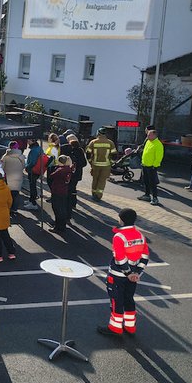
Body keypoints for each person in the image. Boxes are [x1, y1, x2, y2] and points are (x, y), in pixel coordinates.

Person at [97, 208, 149, 337]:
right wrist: (136, 273)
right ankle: (130, 326)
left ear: (121, 220)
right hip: (132, 277)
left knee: (116, 301)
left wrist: (128, 273)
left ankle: (115, 328)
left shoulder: (119, 236)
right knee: (129, 299)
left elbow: (120, 258)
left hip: (117, 276)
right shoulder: (140, 236)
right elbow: (145, 256)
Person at [86, 127, 117, 201]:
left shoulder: (93, 142)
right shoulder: (110, 143)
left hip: (95, 165)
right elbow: (114, 155)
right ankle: (98, 195)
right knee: (102, 181)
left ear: (98, 133)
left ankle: (93, 194)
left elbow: (88, 153)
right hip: (106, 166)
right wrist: (111, 163)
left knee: (95, 180)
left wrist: (90, 162)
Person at [60, 134, 88, 216]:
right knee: (73, 188)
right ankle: (73, 203)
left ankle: (70, 204)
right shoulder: (80, 151)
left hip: (71, 173)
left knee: (70, 189)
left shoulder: (71, 152)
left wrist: (75, 164)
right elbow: (84, 163)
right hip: (77, 174)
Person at [139, 127, 164, 206]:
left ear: (154, 135)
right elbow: (145, 152)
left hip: (151, 167)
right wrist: (143, 162)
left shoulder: (158, 144)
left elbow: (159, 157)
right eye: (147, 135)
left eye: (149, 135)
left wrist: (154, 165)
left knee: (152, 183)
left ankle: (155, 198)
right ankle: (147, 195)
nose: (147, 136)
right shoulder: (148, 142)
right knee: (146, 181)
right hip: (145, 165)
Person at [49, 155, 73, 233]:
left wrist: (53, 168)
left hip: (57, 190)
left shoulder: (60, 170)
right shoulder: (68, 169)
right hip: (64, 191)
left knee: (57, 209)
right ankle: (62, 225)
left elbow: (51, 176)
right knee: (62, 208)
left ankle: (58, 227)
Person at [1, 142, 26, 214]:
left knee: (8, 193)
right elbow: (23, 166)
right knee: (16, 193)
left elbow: (2, 167)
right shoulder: (21, 156)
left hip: (8, 177)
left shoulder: (5, 156)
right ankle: (14, 208)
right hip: (18, 177)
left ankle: (8, 207)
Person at [24, 138, 42, 210]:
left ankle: (33, 203)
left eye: (29, 140)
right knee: (33, 185)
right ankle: (31, 200)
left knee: (32, 186)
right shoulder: (38, 148)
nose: (27, 141)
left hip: (33, 170)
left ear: (33, 141)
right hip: (37, 170)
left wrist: (27, 167)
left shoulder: (34, 150)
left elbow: (32, 162)